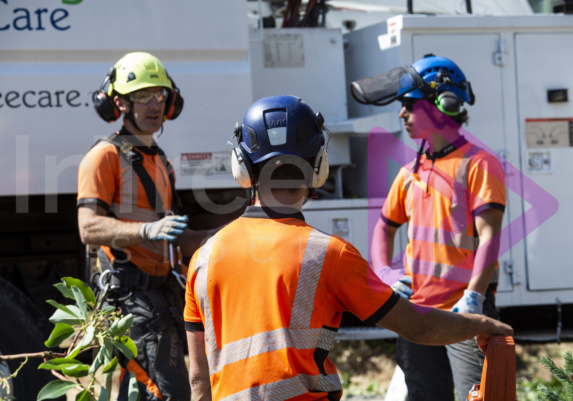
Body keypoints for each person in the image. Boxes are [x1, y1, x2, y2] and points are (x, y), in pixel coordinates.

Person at [184, 95, 512, 401]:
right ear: (318, 167)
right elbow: (418, 326)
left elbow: (199, 379)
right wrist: (481, 323)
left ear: (241, 167)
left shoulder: (203, 259)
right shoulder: (330, 254)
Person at [370, 55, 507, 401]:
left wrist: (473, 298)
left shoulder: (479, 164)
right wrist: (385, 273)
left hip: (464, 314)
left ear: (442, 105)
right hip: (417, 314)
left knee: (476, 397)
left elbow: (490, 236)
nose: (401, 114)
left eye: (408, 105)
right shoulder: (410, 172)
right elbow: (383, 228)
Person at [77, 52, 209, 401]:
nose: (154, 104)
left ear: (171, 101)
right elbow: (88, 228)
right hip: (131, 301)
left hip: (161, 298)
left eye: (160, 95)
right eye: (142, 96)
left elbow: (179, 237)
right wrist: (145, 231)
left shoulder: (161, 161)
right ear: (118, 102)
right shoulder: (104, 156)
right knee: (165, 395)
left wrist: (227, 236)